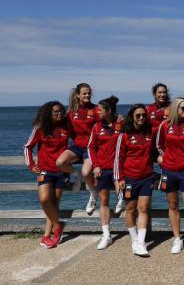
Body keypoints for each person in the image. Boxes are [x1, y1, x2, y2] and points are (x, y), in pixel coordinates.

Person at [23, 101, 70, 248]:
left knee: (54, 204)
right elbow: (27, 147)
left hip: (61, 172)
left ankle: (46, 236)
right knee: (44, 200)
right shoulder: (40, 128)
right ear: (48, 113)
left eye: (61, 112)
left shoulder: (66, 127)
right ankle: (58, 225)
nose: (59, 114)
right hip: (45, 170)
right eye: (55, 112)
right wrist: (31, 165)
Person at [156, 97, 184, 254]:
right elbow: (159, 145)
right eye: (183, 108)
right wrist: (164, 157)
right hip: (169, 171)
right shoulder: (165, 125)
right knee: (173, 205)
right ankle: (177, 239)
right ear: (175, 109)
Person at [113, 104, 156, 257]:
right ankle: (134, 239)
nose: (141, 118)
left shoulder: (150, 131)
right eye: (138, 115)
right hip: (130, 177)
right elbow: (119, 157)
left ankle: (141, 243)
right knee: (130, 209)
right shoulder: (124, 135)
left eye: (144, 115)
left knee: (143, 209)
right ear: (132, 117)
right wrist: (120, 178)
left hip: (147, 176)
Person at [56, 83, 100, 215]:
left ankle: (93, 196)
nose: (87, 95)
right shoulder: (71, 111)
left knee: (87, 173)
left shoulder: (96, 109)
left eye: (88, 93)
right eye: (84, 93)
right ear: (78, 95)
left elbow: (107, 122)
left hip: (91, 148)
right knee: (60, 162)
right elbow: (62, 126)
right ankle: (77, 175)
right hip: (77, 146)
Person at [87, 96, 123, 250]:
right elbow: (91, 147)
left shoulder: (121, 123)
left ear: (108, 111)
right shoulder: (96, 127)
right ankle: (106, 234)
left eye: (100, 109)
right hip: (101, 168)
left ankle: (136, 235)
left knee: (124, 199)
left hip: (118, 168)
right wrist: (95, 165)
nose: (97, 111)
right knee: (104, 200)